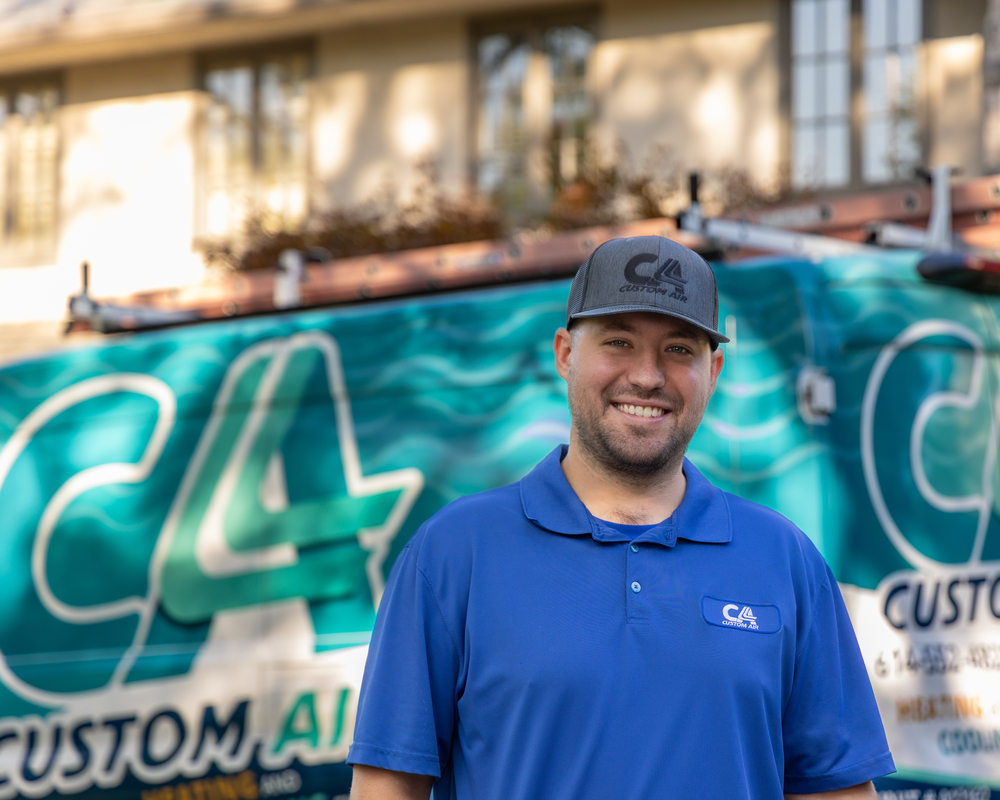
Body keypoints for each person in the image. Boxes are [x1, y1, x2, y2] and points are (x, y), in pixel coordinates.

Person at [347, 236, 894, 800]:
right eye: (618, 341)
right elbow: (386, 789)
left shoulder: (785, 559)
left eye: (680, 349)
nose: (648, 376)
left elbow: (838, 792)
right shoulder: (452, 554)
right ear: (564, 354)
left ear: (715, 370)